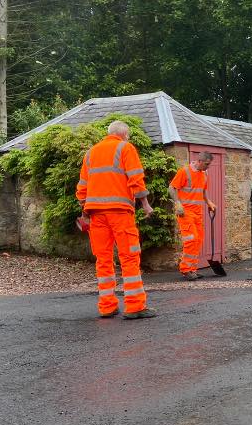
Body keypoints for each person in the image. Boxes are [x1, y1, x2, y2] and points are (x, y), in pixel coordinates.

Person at [76, 120, 156, 320]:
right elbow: (136, 178)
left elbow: (82, 187)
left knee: (103, 260)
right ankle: (135, 306)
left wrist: (84, 211)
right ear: (125, 134)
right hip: (119, 213)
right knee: (129, 257)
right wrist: (145, 204)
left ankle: (107, 306)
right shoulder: (125, 148)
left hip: (95, 215)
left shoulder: (91, 153)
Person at [168, 153, 217, 281]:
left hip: (197, 213)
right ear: (199, 161)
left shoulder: (204, 174)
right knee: (191, 239)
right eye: (207, 164)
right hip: (185, 212)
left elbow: (203, 191)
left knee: (198, 240)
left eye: (209, 164)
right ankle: (185, 269)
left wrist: (209, 202)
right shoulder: (184, 171)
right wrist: (178, 203)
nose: (208, 167)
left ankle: (192, 270)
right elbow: (172, 188)